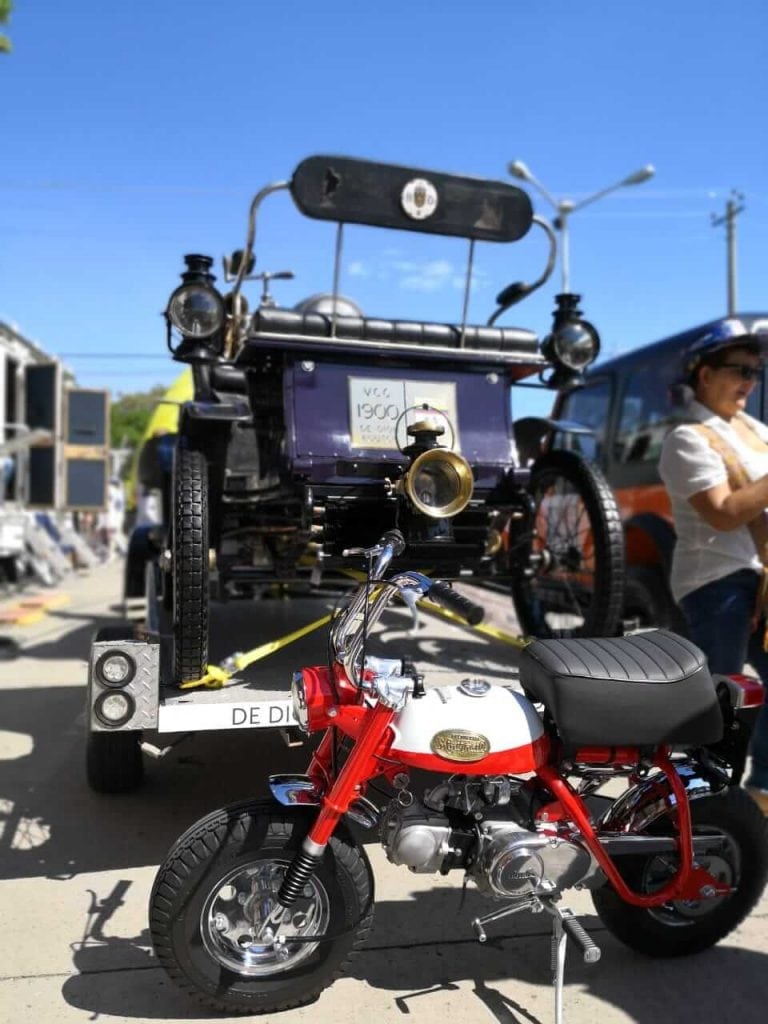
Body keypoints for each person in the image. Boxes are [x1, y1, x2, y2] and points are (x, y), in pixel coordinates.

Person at [659, 318, 768, 813]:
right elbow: (722, 513)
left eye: (757, 370)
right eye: (739, 369)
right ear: (704, 374)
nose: (751, 379)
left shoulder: (755, 432)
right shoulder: (688, 438)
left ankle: (757, 793)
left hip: (761, 578)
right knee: (718, 703)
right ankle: (696, 805)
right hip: (716, 581)